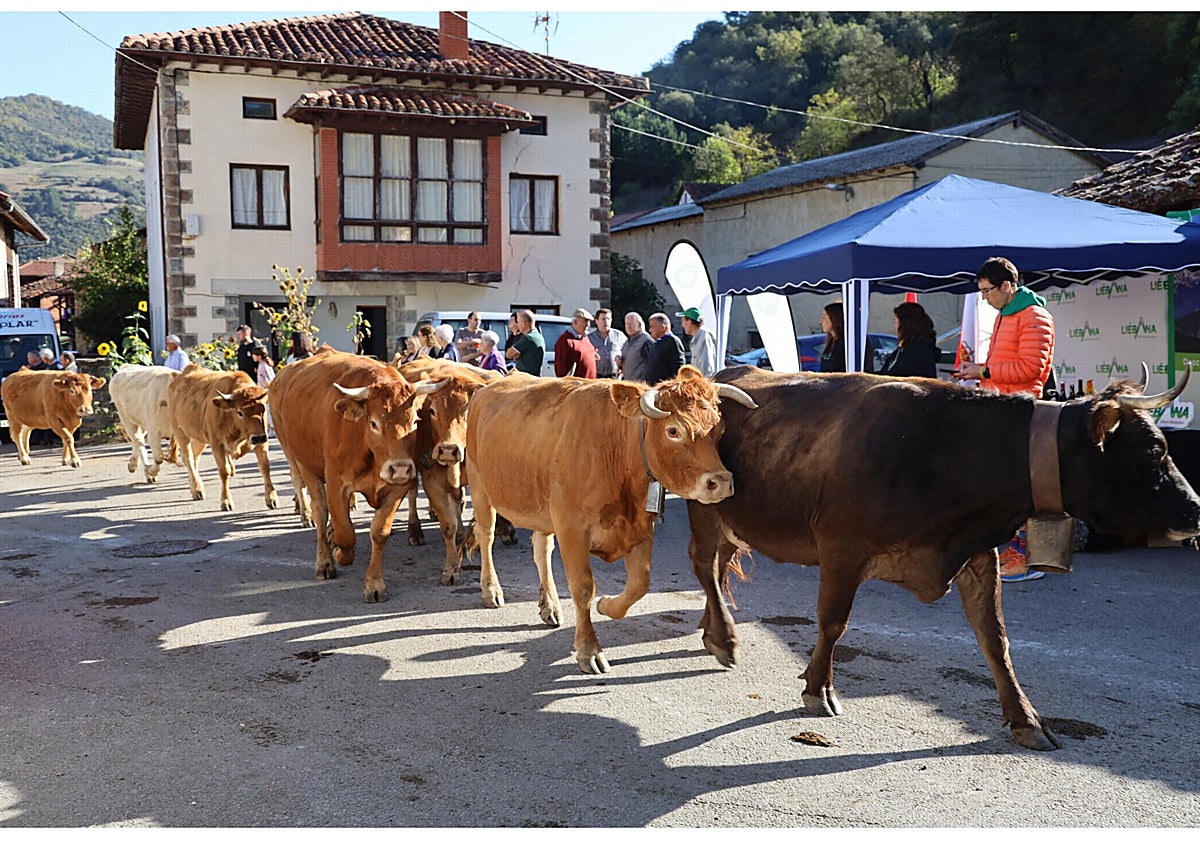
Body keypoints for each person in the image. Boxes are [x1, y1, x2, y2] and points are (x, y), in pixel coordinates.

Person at [953, 256, 1056, 584]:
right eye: (981, 292)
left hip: (1021, 415)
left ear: (1008, 286)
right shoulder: (1007, 315)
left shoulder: (1035, 316)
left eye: (987, 291)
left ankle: (1024, 558)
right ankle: (1010, 553)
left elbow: (1030, 369)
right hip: (1002, 413)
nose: (985, 298)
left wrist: (982, 370)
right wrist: (979, 370)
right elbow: (1007, 364)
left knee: (1018, 488)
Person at [879, 302, 940, 379]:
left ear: (905, 325)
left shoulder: (920, 352)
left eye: (896, 322)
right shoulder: (902, 350)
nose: (894, 327)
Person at [642, 312, 686, 384]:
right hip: (653, 388)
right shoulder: (655, 343)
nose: (650, 330)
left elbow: (678, 366)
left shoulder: (672, 341)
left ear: (663, 327)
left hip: (665, 389)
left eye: (652, 326)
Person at [554, 307, 599, 378]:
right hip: (578, 386)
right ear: (575, 322)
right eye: (585, 321)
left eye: (589, 322)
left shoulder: (585, 337)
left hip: (590, 384)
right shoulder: (566, 341)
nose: (588, 325)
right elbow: (560, 370)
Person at [676, 306, 717, 377]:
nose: (682, 325)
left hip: (706, 384)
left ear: (689, 322)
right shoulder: (698, 337)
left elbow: (707, 368)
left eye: (683, 321)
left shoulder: (704, 337)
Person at [587, 307, 626, 378]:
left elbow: (627, 351)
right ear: (596, 321)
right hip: (595, 376)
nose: (606, 322)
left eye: (608, 319)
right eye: (603, 319)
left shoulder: (619, 336)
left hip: (614, 376)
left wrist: (621, 362)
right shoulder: (589, 338)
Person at [506, 310, 545, 376]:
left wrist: (517, 355)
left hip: (526, 378)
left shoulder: (528, 338)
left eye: (518, 322)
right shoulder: (537, 335)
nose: (517, 325)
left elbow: (509, 354)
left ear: (524, 323)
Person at [618, 312, 653, 382]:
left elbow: (652, 365)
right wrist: (619, 361)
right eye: (626, 324)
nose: (628, 327)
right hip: (629, 384)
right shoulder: (627, 341)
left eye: (631, 324)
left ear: (639, 325)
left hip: (641, 386)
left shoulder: (646, 341)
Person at [250, 344, 275, 436]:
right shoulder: (261, 365)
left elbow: (269, 379)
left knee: (268, 410)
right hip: (262, 390)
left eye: (254, 354)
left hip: (265, 391)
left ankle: (273, 428)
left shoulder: (264, 366)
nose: (253, 356)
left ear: (259, 356)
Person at [819, 302, 846, 372]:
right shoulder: (831, 342)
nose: (821, 322)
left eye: (824, 317)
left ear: (834, 318)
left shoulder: (845, 344)